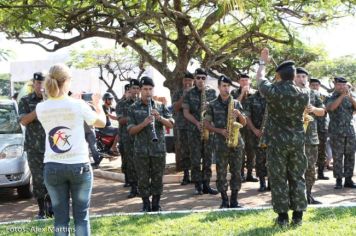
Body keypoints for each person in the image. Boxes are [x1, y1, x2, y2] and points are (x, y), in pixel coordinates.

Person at [36, 64, 106, 235]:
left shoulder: (40, 108)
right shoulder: (78, 104)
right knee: (81, 217)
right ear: (66, 81)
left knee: (60, 218)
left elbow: (56, 107)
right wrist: (99, 106)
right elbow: (101, 123)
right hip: (79, 166)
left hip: (52, 166)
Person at [257, 48, 309, 226]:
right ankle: (298, 216)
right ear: (294, 76)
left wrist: (262, 62)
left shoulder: (272, 91)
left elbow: (260, 79)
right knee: (297, 177)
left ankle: (282, 218)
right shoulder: (304, 93)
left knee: (278, 178)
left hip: (277, 142)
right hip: (297, 141)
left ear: (278, 76)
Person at [127, 76, 174, 212]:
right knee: (142, 179)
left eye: (150, 89)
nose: (148, 92)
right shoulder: (133, 108)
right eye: (145, 89)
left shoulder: (160, 106)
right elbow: (130, 130)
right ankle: (146, 204)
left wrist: (160, 118)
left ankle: (156, 204)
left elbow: (171, 124)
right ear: (140, 90)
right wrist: (144, 123)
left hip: (158, 149)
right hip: (141, 151)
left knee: (157, 178)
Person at [204, 75, 246, 208]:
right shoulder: (212, 104)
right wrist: (220, 131)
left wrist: (239, 115)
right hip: (221, 143)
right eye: (223, 86)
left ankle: (234, 200)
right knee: (221, 172)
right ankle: (224, 200)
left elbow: (244, 123)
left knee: (237, 172)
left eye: (228, 86)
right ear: (219, 87)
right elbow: (206, 124)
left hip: (236, 143)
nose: (226, 89)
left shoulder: (236, 103)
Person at [18, 72, 53, 219]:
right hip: (34, 148)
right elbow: (23, 121)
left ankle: (51, 207)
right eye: (38, 83)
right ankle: (41, 209)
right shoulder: (25, 100)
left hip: (52, 147)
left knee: (52, 178)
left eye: (43, 83)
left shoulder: (52, 100)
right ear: (34, 84)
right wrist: (39, 109)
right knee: (38, 180)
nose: (41, 86)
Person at [183, 68, 218, 195]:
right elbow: (186, 113)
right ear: (195, 79)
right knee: (196, 159)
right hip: (194, 130)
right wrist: (197, 123)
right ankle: (198, 185)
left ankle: (207, 184)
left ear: (206, 79)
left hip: (208, 130)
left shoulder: (212, 92)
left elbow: (215, 111)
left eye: (203, 78)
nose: (200, 80)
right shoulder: (188, 93)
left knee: (208, 158)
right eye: (198, 78)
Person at [295, 68, 325, 204]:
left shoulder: (313, 93)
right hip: (294, 138)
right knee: (295, 169)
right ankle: (296, 197)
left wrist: (313, 109)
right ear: (294, 78)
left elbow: (323, 111)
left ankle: (308, 195)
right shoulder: (290, 93)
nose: (302, 79)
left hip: (311, 138)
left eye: (304, 77)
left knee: (311, 169)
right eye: (299, 77)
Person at [325, 77, 356, 189]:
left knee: (350, 156)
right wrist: (342, 96)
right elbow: (331, 108)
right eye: (339, 85)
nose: (341, 87)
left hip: (349, 131)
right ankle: (338, 180)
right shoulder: (330, 97)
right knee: (338, 157)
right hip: (336, 132)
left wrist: (351, 98)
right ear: (334, 84)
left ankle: (348, 180)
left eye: (343, 85)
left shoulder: (350, 97)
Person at [231, 74, 258, 182]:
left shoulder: (255, 93)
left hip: (251, 125)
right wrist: (242, 93)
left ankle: (250, 174)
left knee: (251, 151)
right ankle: (241, 173)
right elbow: (233, 105)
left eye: (246, 80)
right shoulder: (234, 92)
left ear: (250, 81)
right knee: (240, 151)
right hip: (239, 125)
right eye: (242, 80)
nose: (244, 82)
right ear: (239, 82)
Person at [117, 79, 140, 198]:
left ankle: (141, 186)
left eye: (137, 88)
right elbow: (120, 120)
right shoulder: (122, 103)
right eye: (133, 88)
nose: (135, 91)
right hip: (127, 137)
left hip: (141, 137)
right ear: (129, 89)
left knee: (140, 163)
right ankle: (133, 187)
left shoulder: (144, 103)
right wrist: (136, 117)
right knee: (130, 163)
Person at [172, 71, 194, 185]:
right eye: (186, 80)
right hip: (182, 126)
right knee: (184, 151)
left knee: (195, 151)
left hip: (194, 126)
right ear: (182, 81)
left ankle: (196, 176)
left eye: (190, 80)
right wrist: (184, 96)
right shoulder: (177, 93)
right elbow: (175, 108)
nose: (188, 83)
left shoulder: (197, 92)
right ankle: (186, 175)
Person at [245, 89, 268, 191]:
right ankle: (262, 183)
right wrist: (254, 130)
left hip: (271, 134)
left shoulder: (272, 97)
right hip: (256, 133)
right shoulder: (251, 99)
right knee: (259, 159)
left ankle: (271, 183)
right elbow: (247, 116)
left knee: (271, 159)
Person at [309, 78, 330, 180]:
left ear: (319, 86)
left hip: (322, 128)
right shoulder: (307, 95)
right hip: (310, 128)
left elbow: (328, 109)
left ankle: (321, 172)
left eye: (317, 85)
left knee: (322, 151)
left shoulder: (325, 97)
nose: (315, 86)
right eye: (313, 85)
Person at [116, 84, 132, 187]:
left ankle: (135, 181)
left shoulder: (137, 102)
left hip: (135, 137)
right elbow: (121, 120)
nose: (132, 94)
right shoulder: (120, 104)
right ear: (125, 92)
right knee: (125, 159)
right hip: (124, 137)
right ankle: (127, 179)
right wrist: (134, 117)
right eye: (129, 92)